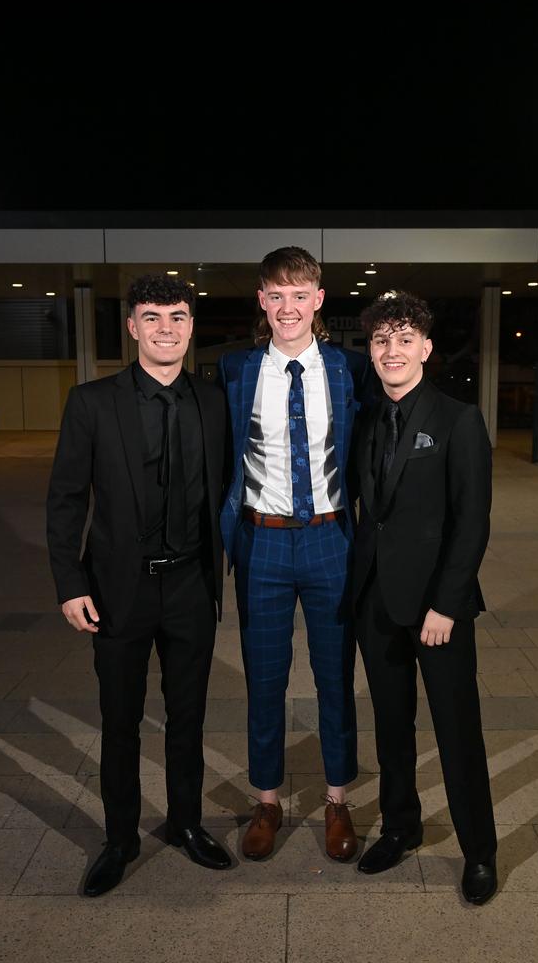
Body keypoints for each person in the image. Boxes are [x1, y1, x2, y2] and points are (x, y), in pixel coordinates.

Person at [46, 275, 231, 897]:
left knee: (188, 719)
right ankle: (119, 839)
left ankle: (186, 824)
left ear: (189, 325)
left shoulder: (213, 401)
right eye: (151, 317)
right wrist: (70, 584)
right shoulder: (92, 402)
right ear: (131, 327)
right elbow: (66, 500)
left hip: (190, 587)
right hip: (118, 591)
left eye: (177, 317)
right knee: (120, 721)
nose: (165, 329)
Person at [218, 246, 371, 862]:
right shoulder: (234, 370)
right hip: (262, 541)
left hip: (331, 539)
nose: (288, 307)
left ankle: (337, 798)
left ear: (318, 300)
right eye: (276, 296)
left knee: (335, 675)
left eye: (299, 295)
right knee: (264, 679)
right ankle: (267, 800)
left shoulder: (349, 369)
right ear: (262, 301)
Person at [353, 290, 498, 905]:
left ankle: (480, 853)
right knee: (391, 727)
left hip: (439, 609)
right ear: (372, 349)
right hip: (376, 604)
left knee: (457, 731)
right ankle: (401, 827)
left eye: (404, 339)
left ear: (427, 348)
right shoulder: (365, 418)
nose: (392, 351)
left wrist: (446, 604)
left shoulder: (458, 419)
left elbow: (473, 523)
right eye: (382, 340)